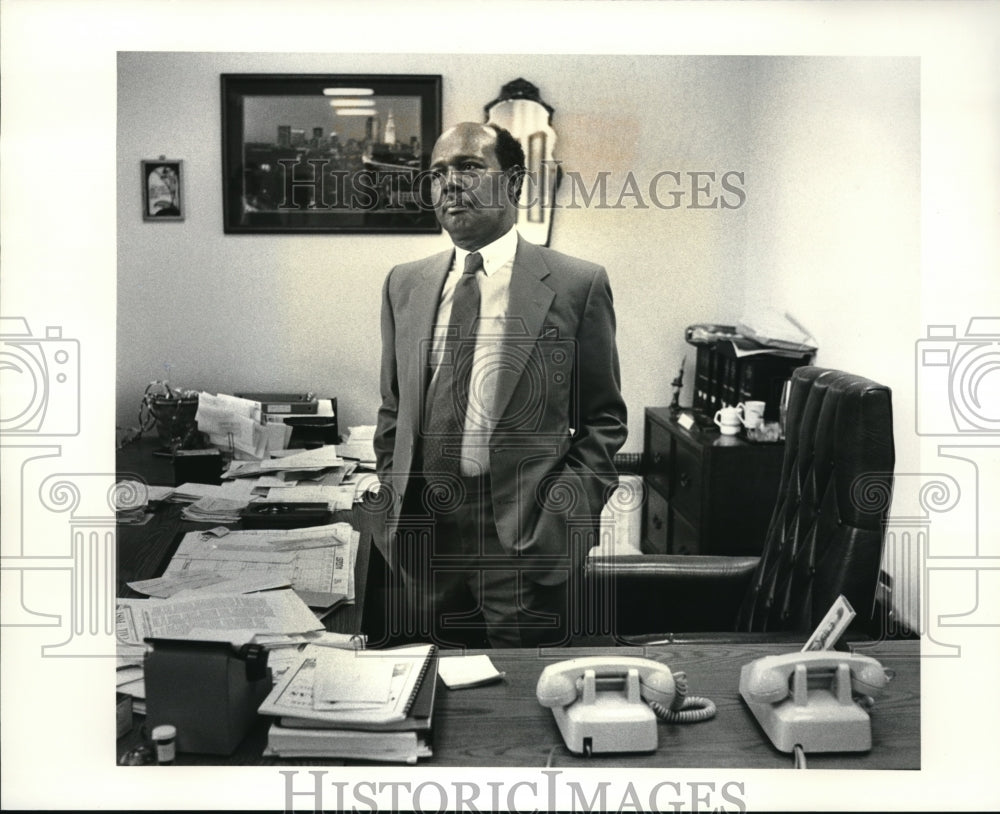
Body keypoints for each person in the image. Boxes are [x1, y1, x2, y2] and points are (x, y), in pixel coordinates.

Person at [374, 122, 627, 648]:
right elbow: (394, 409)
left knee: (523, 697)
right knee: (433, 687)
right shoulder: (405, 283)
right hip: (425, 532)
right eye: (438, 173)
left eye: (469, 167)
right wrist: (394, 488)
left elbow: (603, 420)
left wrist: (564, 515)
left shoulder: (576, 285)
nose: (450, 183)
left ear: (515, 184)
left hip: (521, 533)